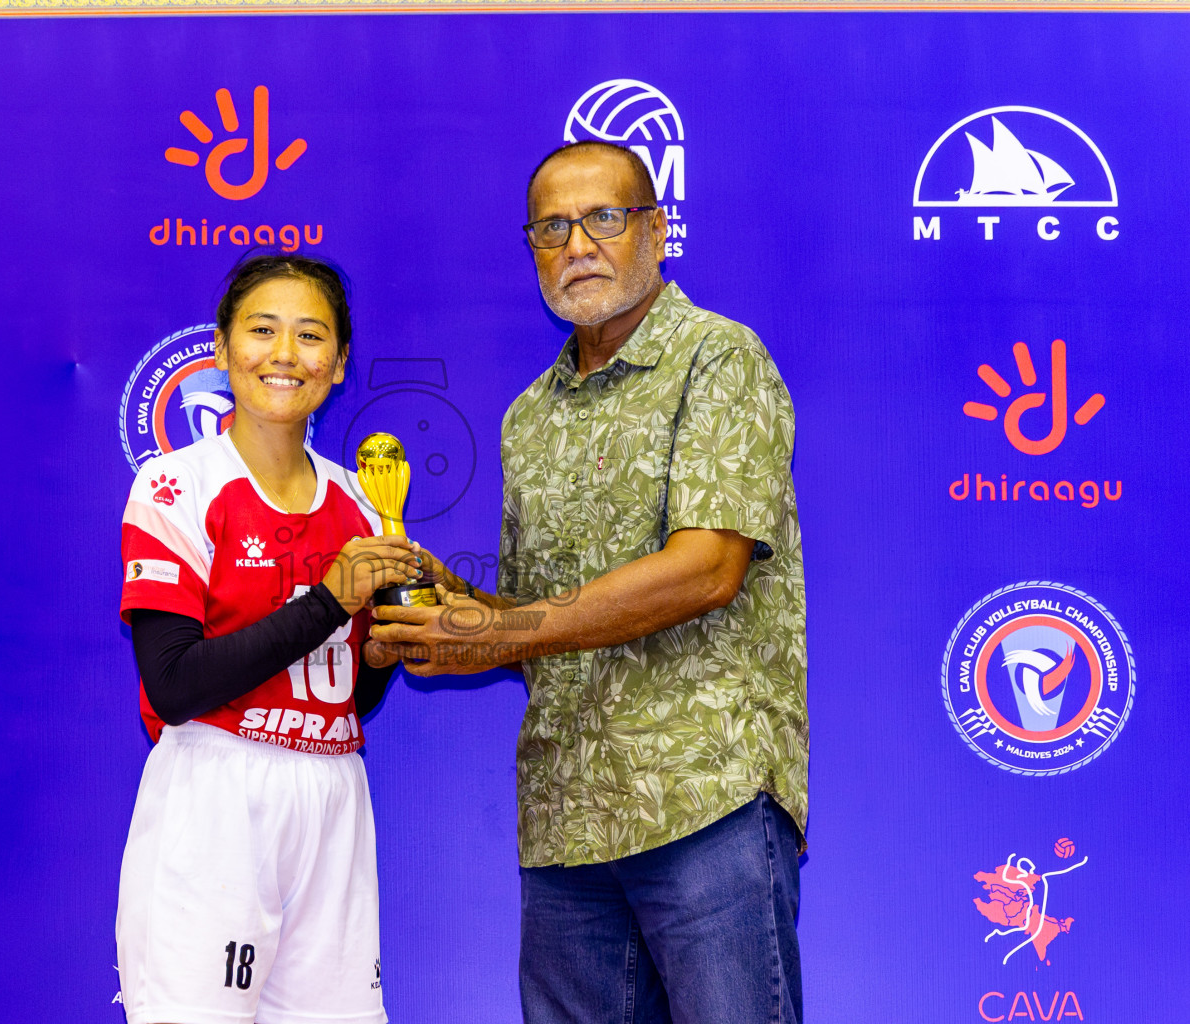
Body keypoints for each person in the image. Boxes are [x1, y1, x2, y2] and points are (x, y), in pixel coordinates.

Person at [372, 140, 808, 1024]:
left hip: (704, 799)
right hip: (565, 817)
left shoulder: (719, 359)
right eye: (553, 227)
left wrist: (502, 630)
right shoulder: (527, 416)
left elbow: (708, 568)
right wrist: (443, 601)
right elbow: (541, 620)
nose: (579, 245)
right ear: (532, 246)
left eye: (605, 218)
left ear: (655, 231)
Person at [116, 253, 416, 1024]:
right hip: (216, 794)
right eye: (262, 331)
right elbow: (175, 685)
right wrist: (330, 600)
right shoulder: (176, 486)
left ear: (340, 362)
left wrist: (381, 648)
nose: (285, 354)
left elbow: (350, 687)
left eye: (311, 335)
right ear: (221, 350)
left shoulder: (357, 502)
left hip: (333, 793)